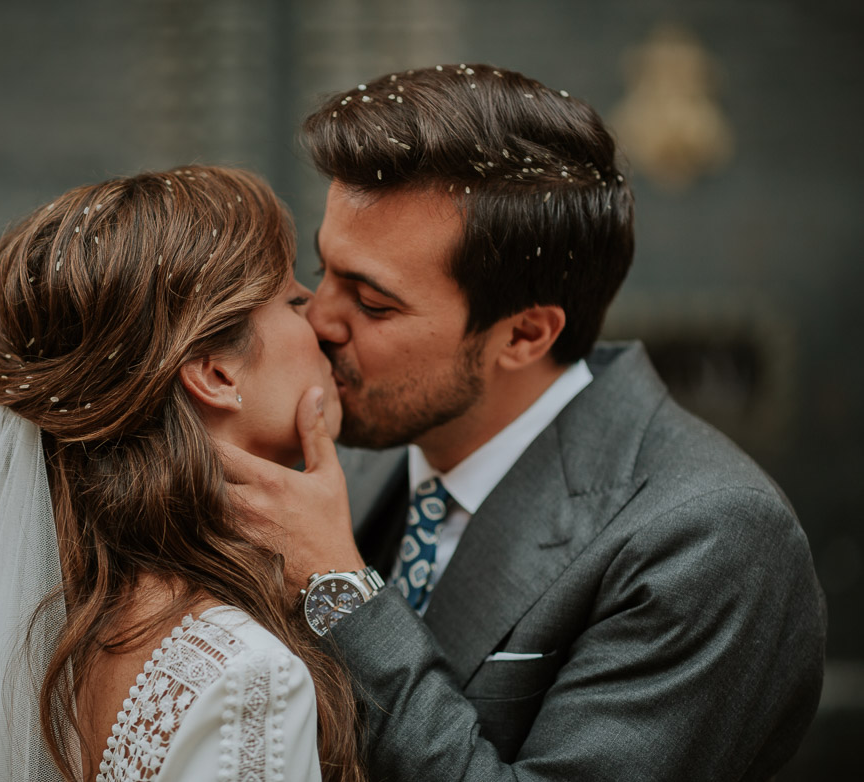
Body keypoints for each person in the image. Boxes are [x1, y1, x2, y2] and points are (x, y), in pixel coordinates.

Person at [221, 64, 827, 781]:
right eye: (323, 270)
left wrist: (340, 588)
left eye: (374, 304)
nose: (319, 319)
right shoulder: (351, 447)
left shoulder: (711, 539)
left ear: (526, 335)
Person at [0, 166, 366, 782]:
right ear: (216, 373)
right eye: (296, 301)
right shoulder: (245, 679)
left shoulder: (67, 632)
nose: (323, 322)